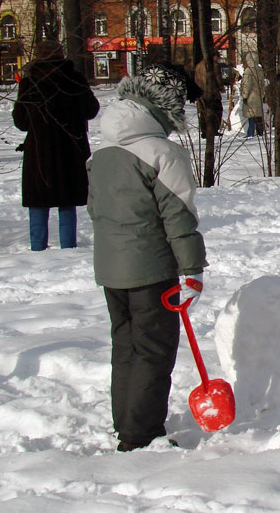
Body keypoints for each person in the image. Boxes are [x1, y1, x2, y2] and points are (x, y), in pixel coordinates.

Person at [87, 63, 206, 452]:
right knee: (154, 351)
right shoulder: (163, 152)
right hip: (152, 271)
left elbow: (96, 211)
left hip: (111, 270)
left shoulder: (103, 153)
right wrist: (190, 270)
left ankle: (127, 421)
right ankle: (141, 435)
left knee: (126, 347)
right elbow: (179, 217)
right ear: (168, 105)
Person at [13, 40, 99, 251]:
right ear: (61, 56)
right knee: (67, 202)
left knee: (38, 203)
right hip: (70, 150)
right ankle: (68, 248)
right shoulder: (75, 79)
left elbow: (21, 122)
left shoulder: (30, 82)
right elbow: (91, 110)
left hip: (39, 153)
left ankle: (37, 247)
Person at [240, 51, 266, 137]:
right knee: (258, 116)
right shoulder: (260, 70)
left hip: (251, 97)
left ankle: (250, 133)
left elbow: (247, 85)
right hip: (258, 96)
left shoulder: (249, 71)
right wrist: (262, 94)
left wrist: (244, 96)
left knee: (251, 117)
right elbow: (263, 84)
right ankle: (260, 132)